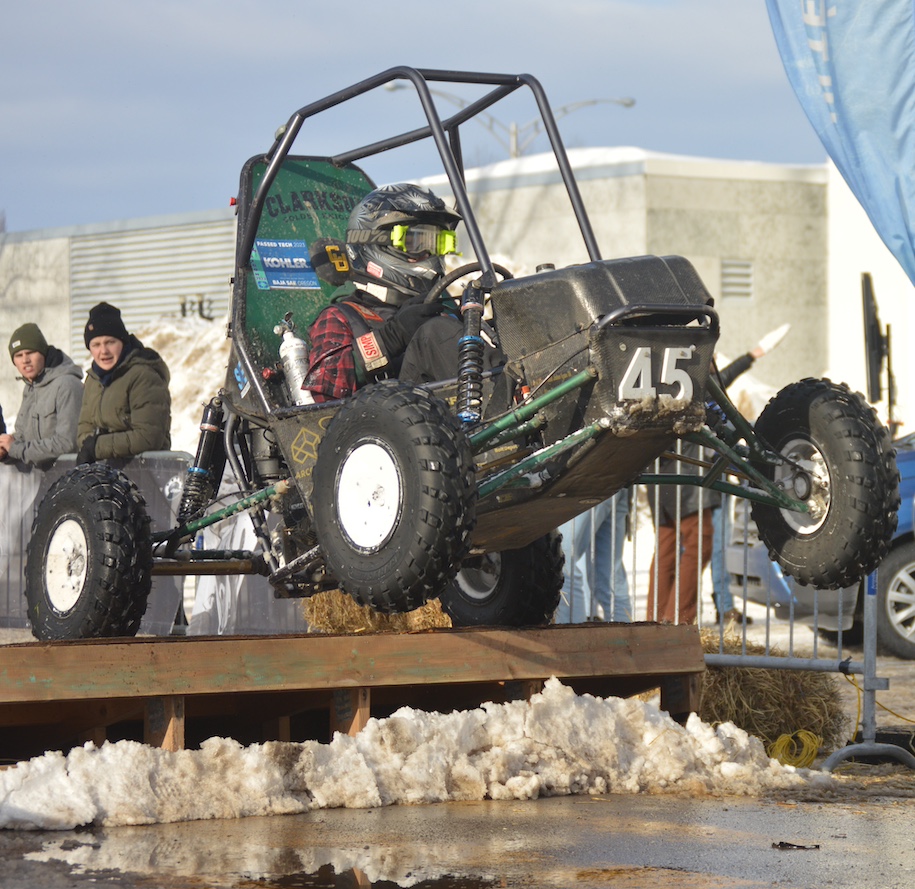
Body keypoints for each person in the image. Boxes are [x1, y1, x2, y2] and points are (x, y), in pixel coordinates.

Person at [302, 183, 503, 402]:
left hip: (445, 414)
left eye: (438, 242)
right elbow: (324, 395)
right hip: (383, 423)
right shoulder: (342, 316)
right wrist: (391, 337)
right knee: (434, 331)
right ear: (374, 243)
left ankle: (521, 395)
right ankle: (505, 400)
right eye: (415, 241)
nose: (428, 253)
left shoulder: (444, 306)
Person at [710, 323, 790, 624]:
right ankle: (720, 604)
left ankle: (722, 602)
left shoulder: (711, 384)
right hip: (705, 482)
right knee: (712, 545)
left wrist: (755, 353)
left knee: (713, 545)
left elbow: (728, 374)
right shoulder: (701, 387)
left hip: (716, 476)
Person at [76, 302, 171, 463]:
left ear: (122, 342)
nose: (103, 351)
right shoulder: (93, 380)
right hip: (107, 475)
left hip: (145, 473)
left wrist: (97, 446)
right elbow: (83, 431)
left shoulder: (143, 375)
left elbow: (148, 436)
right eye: (96, 345)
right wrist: (91, 445)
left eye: (110, 342)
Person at [0, 323, 83, 469]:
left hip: (70, 481)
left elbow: (67, 443)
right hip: (43, 483)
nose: (25, 360)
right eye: (19, 355)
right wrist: (6, 451)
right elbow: (22, 438)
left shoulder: (67, 384)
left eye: (31, 352)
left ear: (43, 353)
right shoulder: (31, 387)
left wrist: (16, 448)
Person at [556, 490, 632, 623]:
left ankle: (572, 638)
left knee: (563, 563)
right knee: (609, 576)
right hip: (616, 481)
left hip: (589, 483)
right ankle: (626, 640)